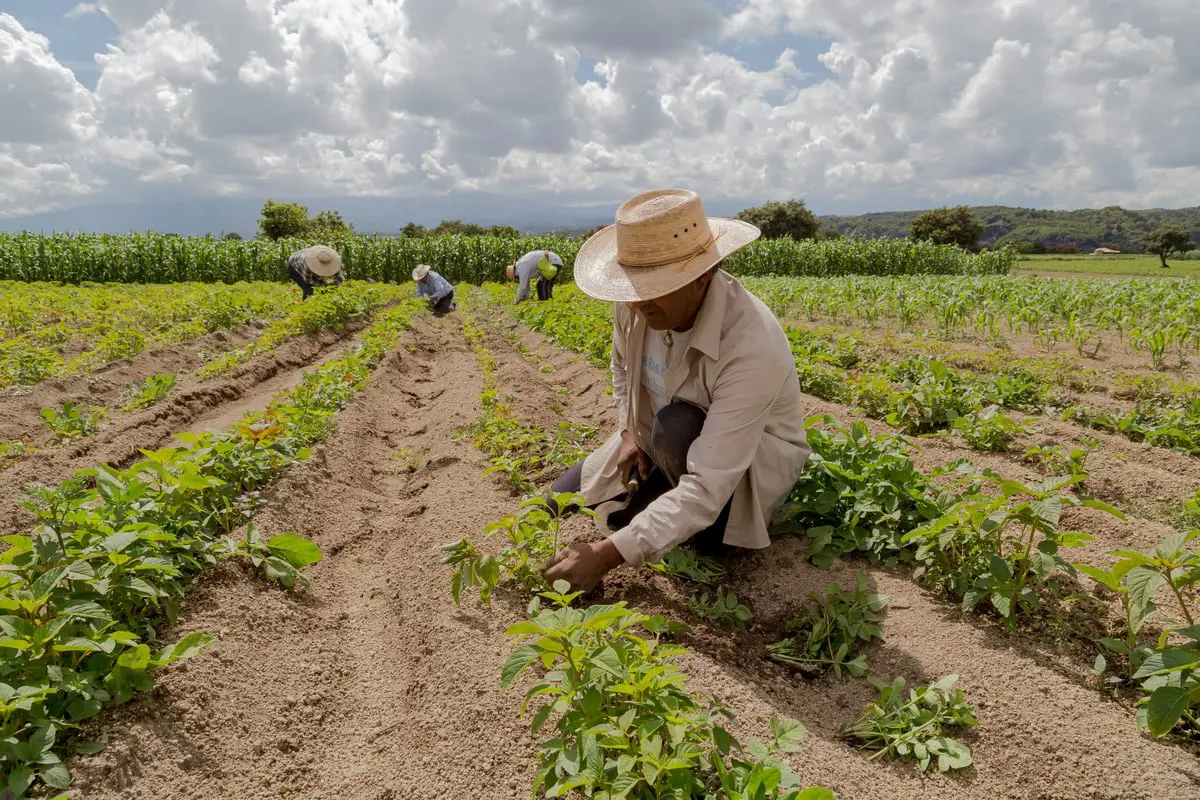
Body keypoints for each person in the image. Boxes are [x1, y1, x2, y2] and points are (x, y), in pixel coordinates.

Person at [541, 188, 811, 593]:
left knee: (676, 426)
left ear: (701, 277)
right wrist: (628, 431)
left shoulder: (751, 346)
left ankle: (704, 536)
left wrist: (605, 555)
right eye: (632, 287)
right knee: (551, 502)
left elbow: (707, 486)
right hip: (656, 443)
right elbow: (620, 367)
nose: (636, 302)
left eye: (654, 286)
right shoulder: (633, 306)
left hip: (737, 470)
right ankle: (655, 496)